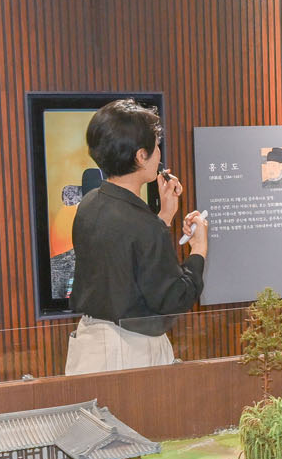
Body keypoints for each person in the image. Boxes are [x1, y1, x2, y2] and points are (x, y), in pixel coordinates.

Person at [66, 99, 208, 374]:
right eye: (156, 146)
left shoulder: (91, 202)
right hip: (129, 350)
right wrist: (198, 249)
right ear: (141, 156)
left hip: (92, 342)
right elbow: (174, 298)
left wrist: (164, 217)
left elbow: (128, 256)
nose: (159, 154)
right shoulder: (141, 223)